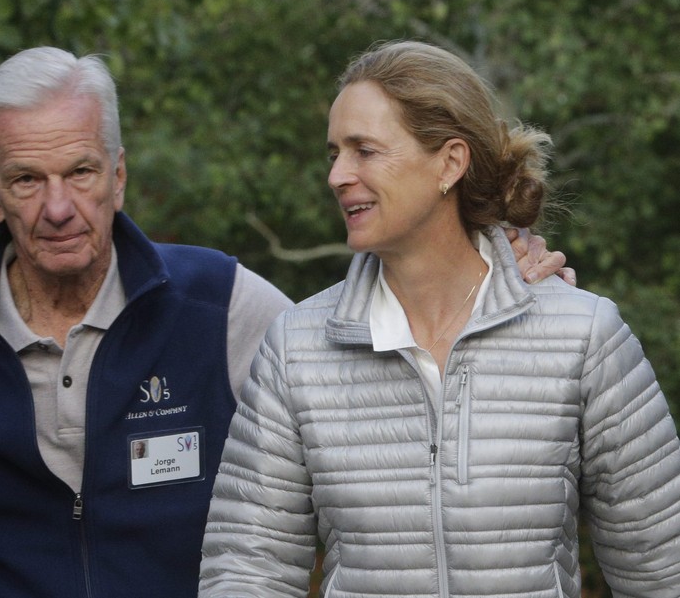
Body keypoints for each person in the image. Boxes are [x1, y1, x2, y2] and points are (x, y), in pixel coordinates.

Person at [0, 46, 569, 598]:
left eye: (82, 172)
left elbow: (385, 395)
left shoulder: (222, 305)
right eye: (28, 180)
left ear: (120, 173)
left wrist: (498, 284)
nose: (57, 207)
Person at [198, 41, 680, 597]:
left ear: (450, 162)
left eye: (364, 150)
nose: (337, 175)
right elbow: (246, 572)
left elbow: (661, 571)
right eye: (334, 153)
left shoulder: (583, 336)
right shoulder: (296, 348)